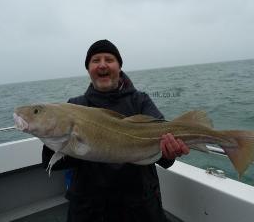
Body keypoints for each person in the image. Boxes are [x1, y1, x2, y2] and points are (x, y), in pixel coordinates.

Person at [42, 39, 190, 222]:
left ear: (119, 66)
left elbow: (165, 159)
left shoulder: (140, 101)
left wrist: (170, 151)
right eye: (95, 60)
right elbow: (53, 164)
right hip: (90, 210)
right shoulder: (75, 106)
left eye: (109, 59)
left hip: (140, 208)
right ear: (88, 69)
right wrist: (52, 136)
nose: (102, 65)